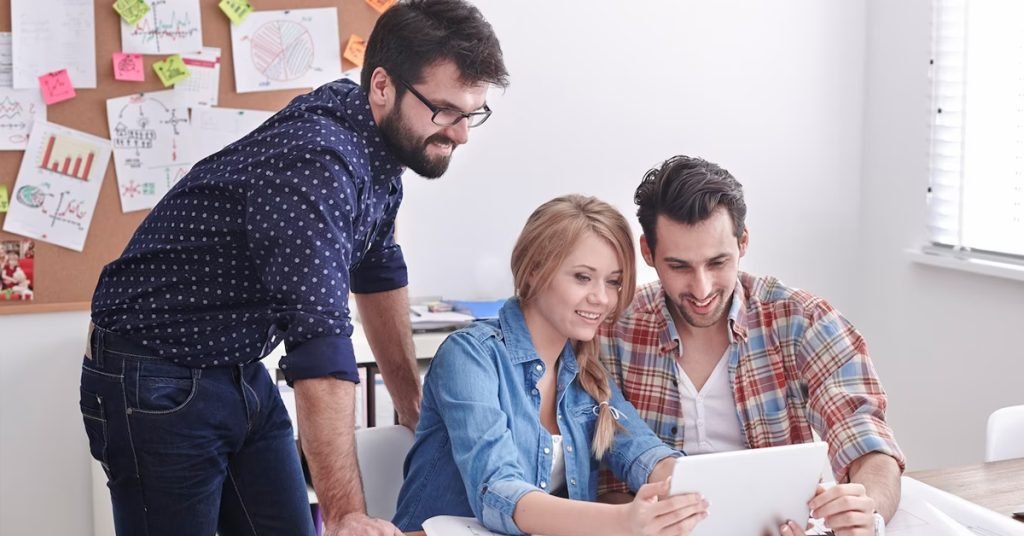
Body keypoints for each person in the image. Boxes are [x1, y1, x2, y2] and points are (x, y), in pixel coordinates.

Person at [80, 1, 508, 535]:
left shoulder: (376, 142)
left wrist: (411, 406)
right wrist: (349, 515)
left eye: (472, 114)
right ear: (381, 86)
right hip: (155, 371)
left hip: (237, 363)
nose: (461, 134)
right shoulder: (317, 165)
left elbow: (377, 269)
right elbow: (320, 348)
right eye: (445, 111)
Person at [598, 155, 905, 536]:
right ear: (648, 252)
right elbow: (601, 481)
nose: (702, 288)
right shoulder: (612, 331)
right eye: (679, 266)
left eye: (717, 262)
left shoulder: (802, 321)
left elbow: (867, 441)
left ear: (743, 242)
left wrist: (867, 513)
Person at [393, 195, 710, 535]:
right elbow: (498, 491)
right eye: (582, 277)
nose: (601, 298)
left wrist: (701, 492)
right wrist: (623, 522)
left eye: (613, 281)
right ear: (533, 272)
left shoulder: (587, 378)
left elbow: (644, 454)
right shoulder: (470, 357)